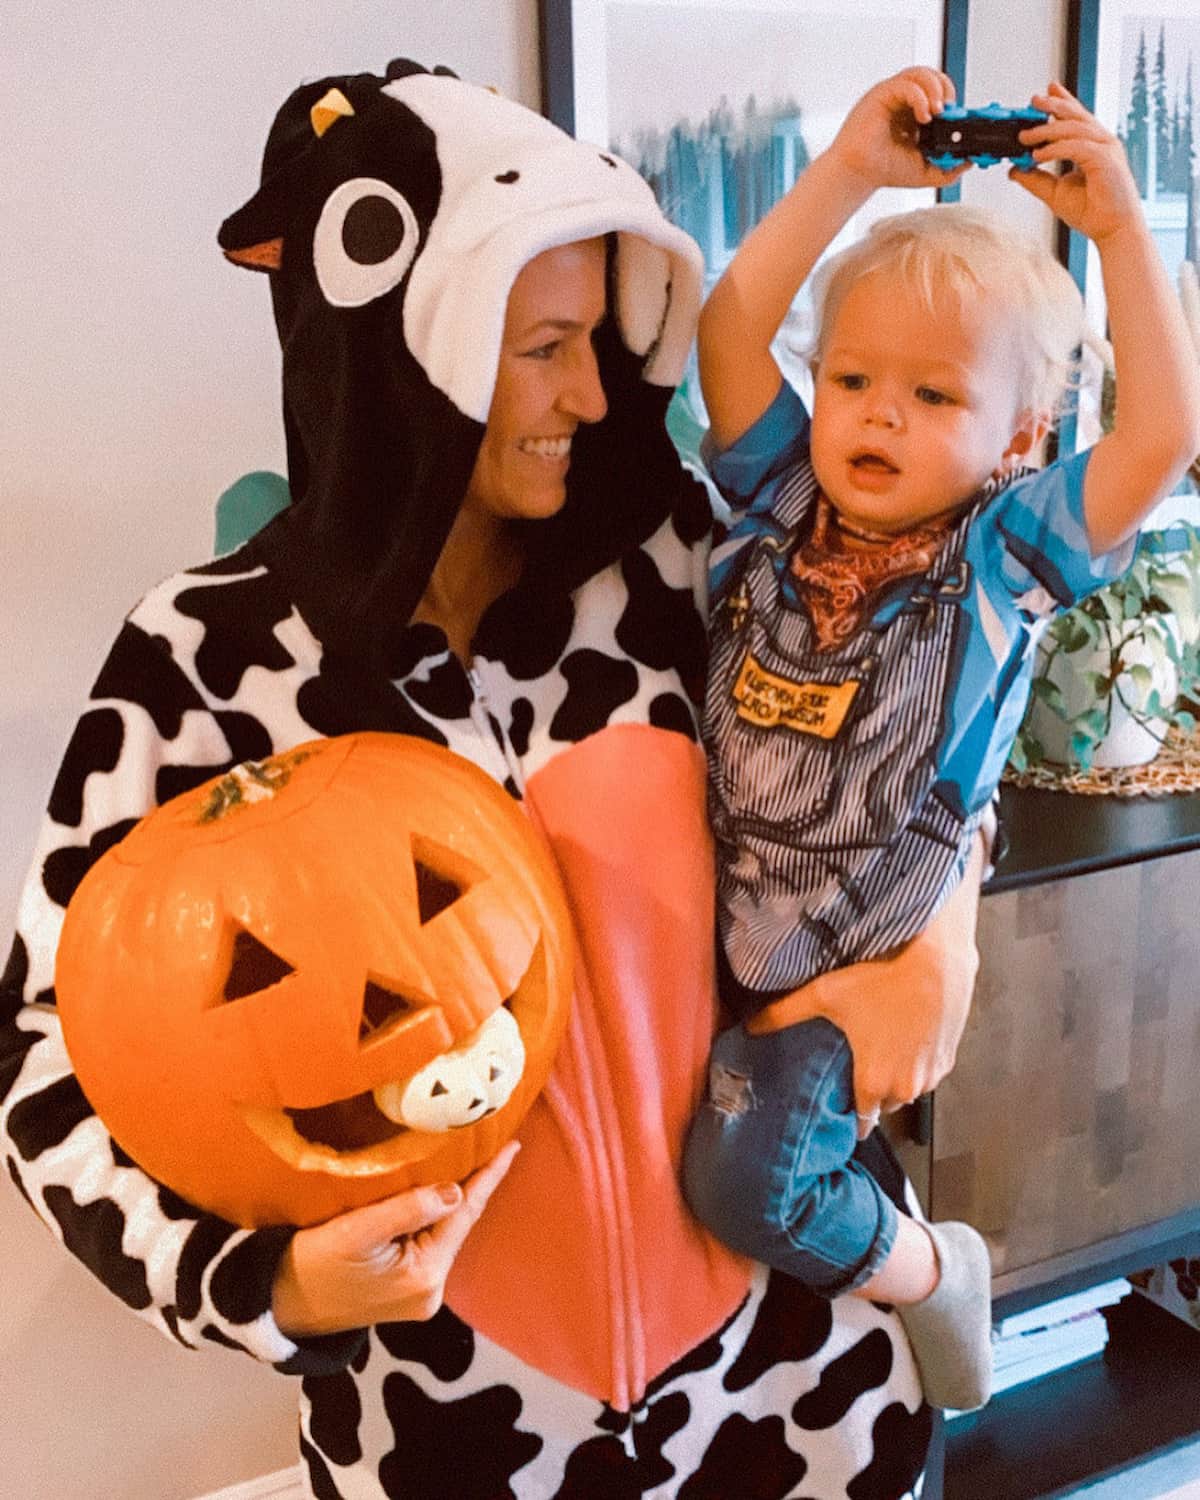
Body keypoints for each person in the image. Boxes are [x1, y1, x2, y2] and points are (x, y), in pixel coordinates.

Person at [2, 61, 986, 1499]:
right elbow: (44, 1045)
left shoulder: (693, 569)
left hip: (806, 1391)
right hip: (462, 1435)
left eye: (599, 338)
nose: (592, 394)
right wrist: (261, 1285)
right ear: (407, 346)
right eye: (541, 348)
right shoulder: (202, 659)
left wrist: (947, 940)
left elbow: (939, 730)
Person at [681, 64, 1200, 1417]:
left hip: (852, 964)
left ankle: (932, 1272)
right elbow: (732, 331)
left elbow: (1160, 434)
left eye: (932, 396)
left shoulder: (1003, 556)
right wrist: (850, 171)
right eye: (853, 379)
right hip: (720, 936)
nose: (878, 415)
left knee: (742, 1188)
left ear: (1018, 434)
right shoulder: (777, 508)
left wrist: (1123, 234)